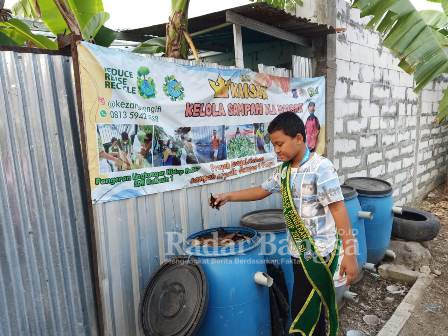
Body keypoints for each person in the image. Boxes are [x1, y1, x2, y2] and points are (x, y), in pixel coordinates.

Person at [212, 112, 358, 336]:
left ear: (299, 138)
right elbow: (261, 191)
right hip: (296, 251)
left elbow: (338, 209)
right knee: (311, 309)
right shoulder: (284, 171)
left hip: (318, 254)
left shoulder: (322, 167)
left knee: (303, 309)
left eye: (280, 144)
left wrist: (350, 254)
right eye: (274, 145)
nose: (277, 150)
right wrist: (229, 196)